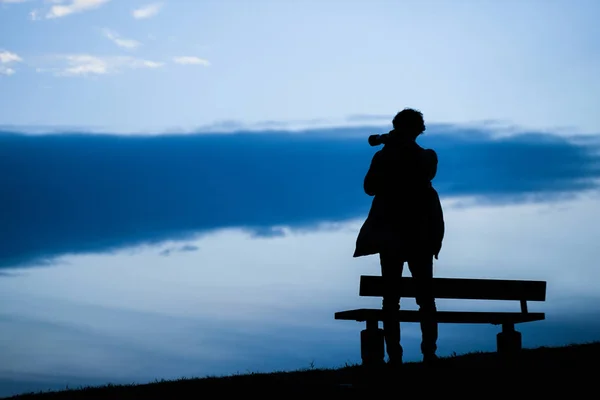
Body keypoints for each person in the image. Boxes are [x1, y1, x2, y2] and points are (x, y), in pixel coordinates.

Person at [353, 108, 445, 366]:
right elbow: (370, 188)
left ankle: (404, 356)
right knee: (416, 300)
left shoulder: (422, 157)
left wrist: (392, 153)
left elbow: (375, 187)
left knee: (400, 300)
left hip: (403, 236)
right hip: (412, 237)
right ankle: (419, 355)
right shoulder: (400, 156)